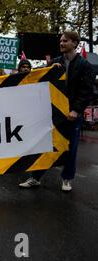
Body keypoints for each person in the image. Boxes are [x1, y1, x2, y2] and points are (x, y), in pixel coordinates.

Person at [19, 31, 95, 192]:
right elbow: (37, 78)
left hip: (73, 115)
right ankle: (35, 177)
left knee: (70, 148)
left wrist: (76, 110)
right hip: (53, 113)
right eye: (60, 41)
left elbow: (87, 91)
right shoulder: (54, 62)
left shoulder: (84, 66)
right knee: (45, 145)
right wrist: (49, 70)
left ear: (75, 43)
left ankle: (67, 178)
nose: (61, 43)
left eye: (65, 41)